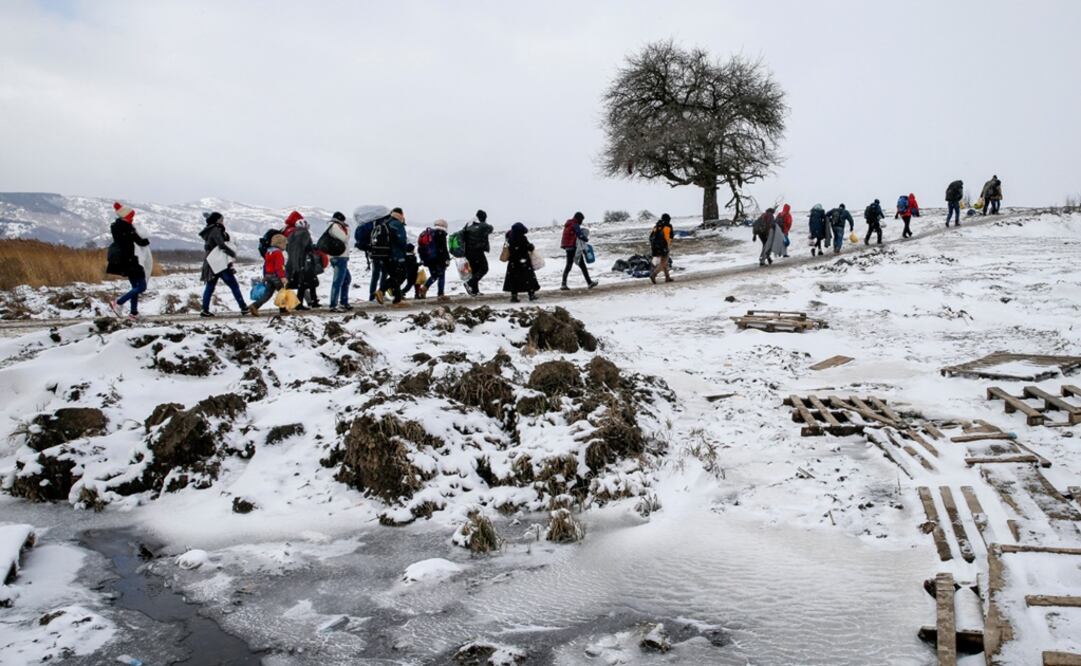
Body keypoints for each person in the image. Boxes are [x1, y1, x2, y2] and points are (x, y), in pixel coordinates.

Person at [106, 202, 152, 319]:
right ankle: (118, 302)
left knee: (134, 287)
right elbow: (142, 241)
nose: (132, 218)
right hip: (132, 260)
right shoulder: (126, 227)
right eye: (131, 216)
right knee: (141, 286)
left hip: (124, 261)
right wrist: (144, 237)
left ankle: (134, 313)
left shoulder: (116, 227)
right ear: (127, 216)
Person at [199, 211, 248, 317]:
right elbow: (221, 245)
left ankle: (204, 309)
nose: (223, 222)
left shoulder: (208, 231)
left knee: (210, 287)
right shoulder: (216, 230)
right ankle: (243, 307)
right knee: (234, 285)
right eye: (221, 220)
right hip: (220, 263)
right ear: (217, 221)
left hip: (210, 263)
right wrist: (232, 253)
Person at [249, 234, 288, 316]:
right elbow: (279, 266)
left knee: (267, 294)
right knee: (282, 292)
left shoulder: (268, 252)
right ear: (281, 243)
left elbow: (265, 265)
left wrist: (265, 276)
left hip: (269, 276)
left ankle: (255, 305)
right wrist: (282, 277)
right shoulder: (278, 253)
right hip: (276, 276)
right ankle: (283, 309)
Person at [377, 207, 409, 306]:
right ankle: (382, 291)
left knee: (395, 277)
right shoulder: (397, 224)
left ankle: (397, 299)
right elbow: (402, 241)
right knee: (400, 275)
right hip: (395, 255)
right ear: (401, 214)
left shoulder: (385, 222)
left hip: (385, 254)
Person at [502, 222, 540, 303]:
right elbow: (529, 247)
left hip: (513, 262)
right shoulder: (522, 238)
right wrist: (531, 246)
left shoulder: (509, 237)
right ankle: (531, 295)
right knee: (529, 278)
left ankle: (514, 296)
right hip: (523, 261)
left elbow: (508, 248)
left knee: (513, 280)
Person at [321, 212, 352, 312]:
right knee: (338, 281)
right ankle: (334, 304)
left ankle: (343, 302)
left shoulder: (336, 226)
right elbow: (344, 238)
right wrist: (348, 229)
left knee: (346, 279)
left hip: (340, 257)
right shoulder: (334, 226)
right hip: (339, 257)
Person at [285, 216, 316, 310]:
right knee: (302, 283)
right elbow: (307, 247)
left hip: (291, 262)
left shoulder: (291, 234)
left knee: (291, 283)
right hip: (301, 261)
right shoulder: (305, 233)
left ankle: (285, 304)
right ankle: (299, 304)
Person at [460, 209, 493, 296]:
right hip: (477, 251)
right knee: (484, 268)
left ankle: (475, 291)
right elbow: (490, 228)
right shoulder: (482, 225)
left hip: (468, 252)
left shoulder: (468, 224)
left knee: (475, 270)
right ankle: (470, 283)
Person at [560, 212, 597, 289]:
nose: (582, 222)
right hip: (573, 248)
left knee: (568, 266)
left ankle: (563, 284)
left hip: (568, 248)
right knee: (582, 266)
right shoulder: (574, 224)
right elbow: (579, 234)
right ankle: (589, 282)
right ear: (579, 218)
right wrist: (586, 239)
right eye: (582, 220)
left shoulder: (568, 224)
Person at [418, 219, 451, 301]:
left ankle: (424, 288)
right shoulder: (441, 234)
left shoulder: (429, 233)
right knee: (441, 276)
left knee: (434, 275)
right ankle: (440, 294)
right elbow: (443, 249)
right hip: (438, 259)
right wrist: (447, 259)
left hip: (429, 259)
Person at [648, 213, 674, 283]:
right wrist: (667, 245)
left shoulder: (657, 225)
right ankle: (653, 275)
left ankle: (667, 277)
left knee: (665, 262)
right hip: (664, 246)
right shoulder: (668, 226)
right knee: (663, 262)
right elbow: (671, 237)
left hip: (655, 247)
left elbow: (651, 237)